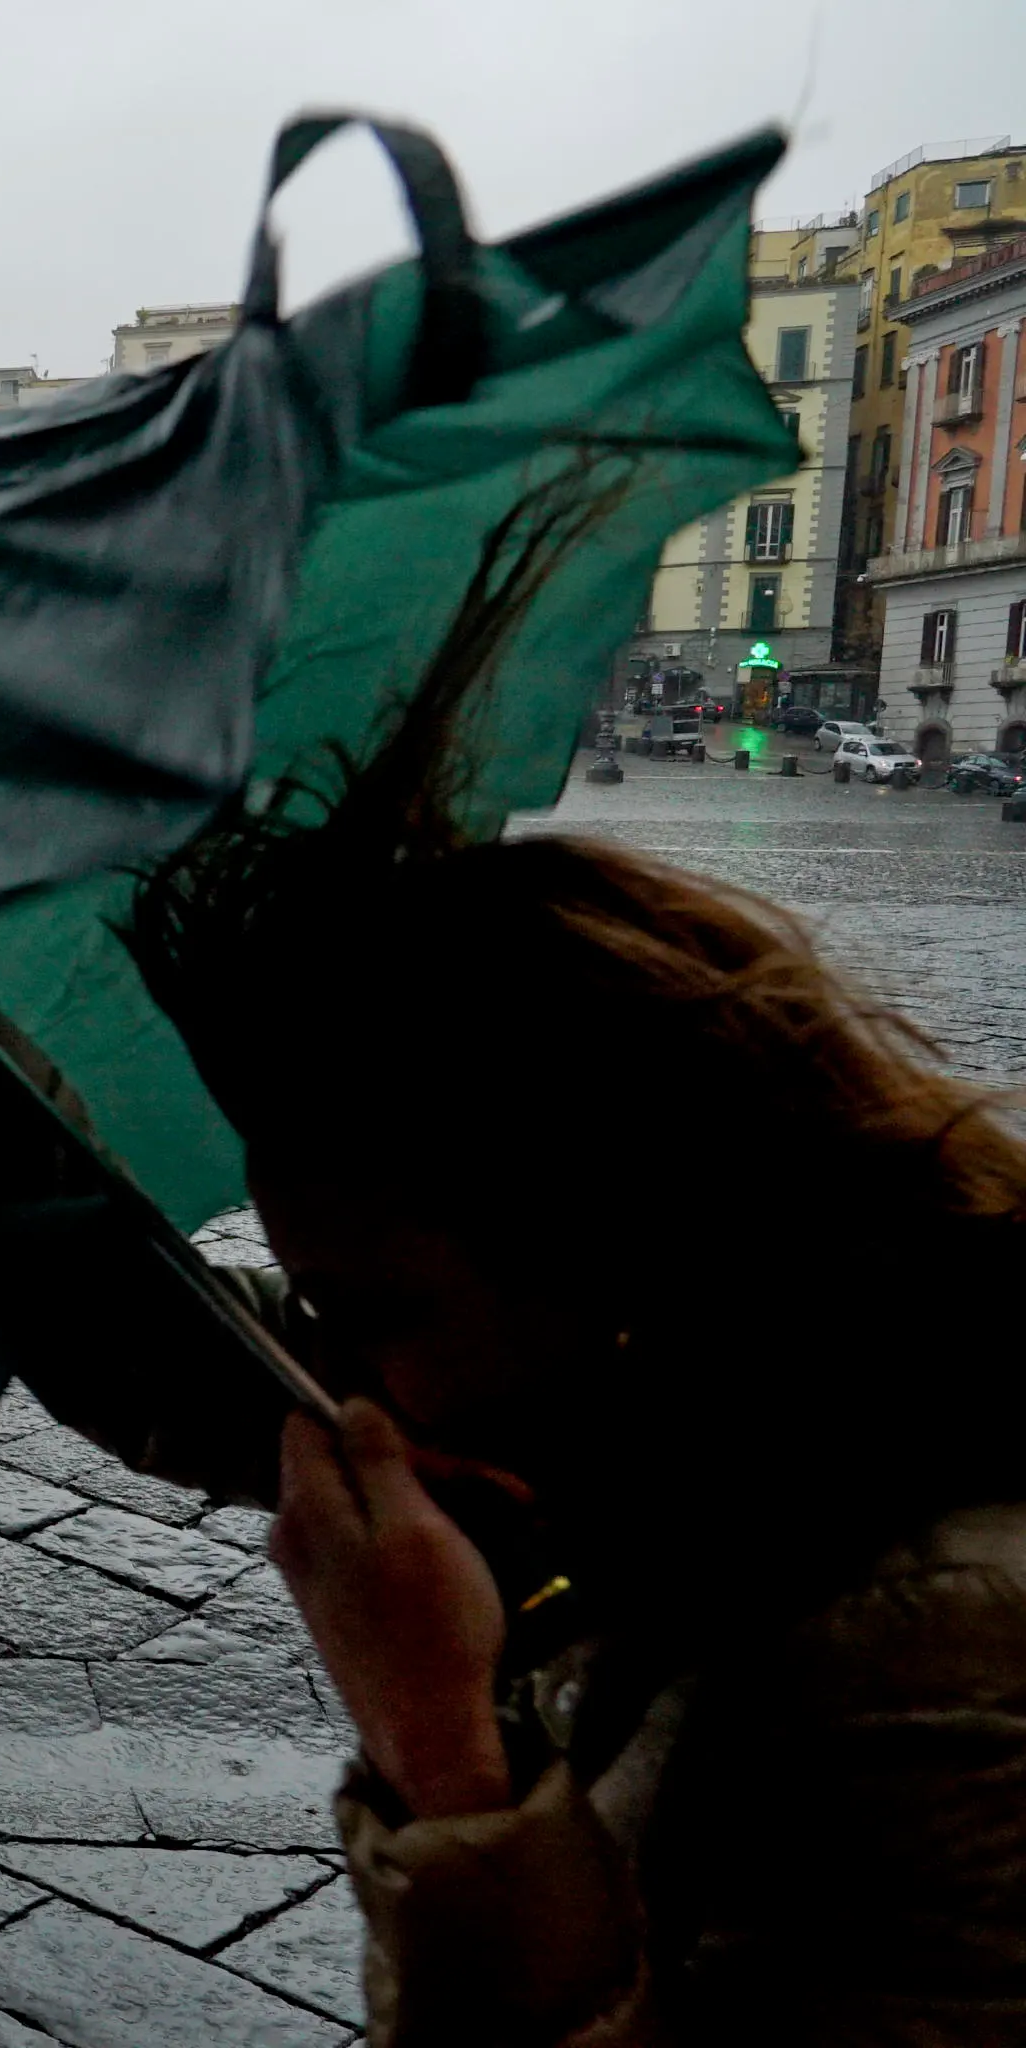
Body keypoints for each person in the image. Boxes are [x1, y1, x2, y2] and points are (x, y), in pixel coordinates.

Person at [105, 485, 1026, 2042]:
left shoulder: (933, 1659)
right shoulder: (701, 1398)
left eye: (377, 1311)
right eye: (323, 1301)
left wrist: (441, 1747)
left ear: (627, 1244)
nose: (348, 1379)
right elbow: (257, 1371)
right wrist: (10, 1191)